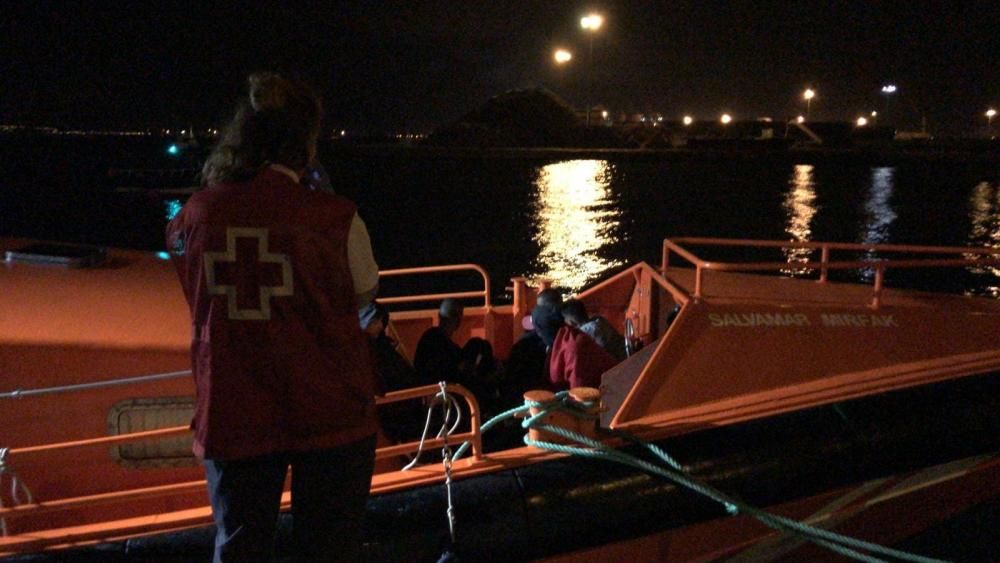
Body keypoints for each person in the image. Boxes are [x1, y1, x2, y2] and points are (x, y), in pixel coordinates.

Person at [165, 72, 379, 562]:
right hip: (329, 409)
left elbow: (188, 275)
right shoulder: (333, 216)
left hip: (233, 408)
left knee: (238, 546)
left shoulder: (196, 214)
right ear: (305, 142)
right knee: (329, 548)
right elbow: (365, 285)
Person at [413, 298, 464, 385]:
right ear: (458, 321)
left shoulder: (429, 336)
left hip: (428, 388)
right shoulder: (444, 345)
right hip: (443, 393)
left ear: (439, 316)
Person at [560, 298, 627, 361]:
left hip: (619, 362)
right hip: (625, 352)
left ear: (572, 321)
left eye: (565, 319)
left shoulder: (584, 333)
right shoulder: (598, 319)